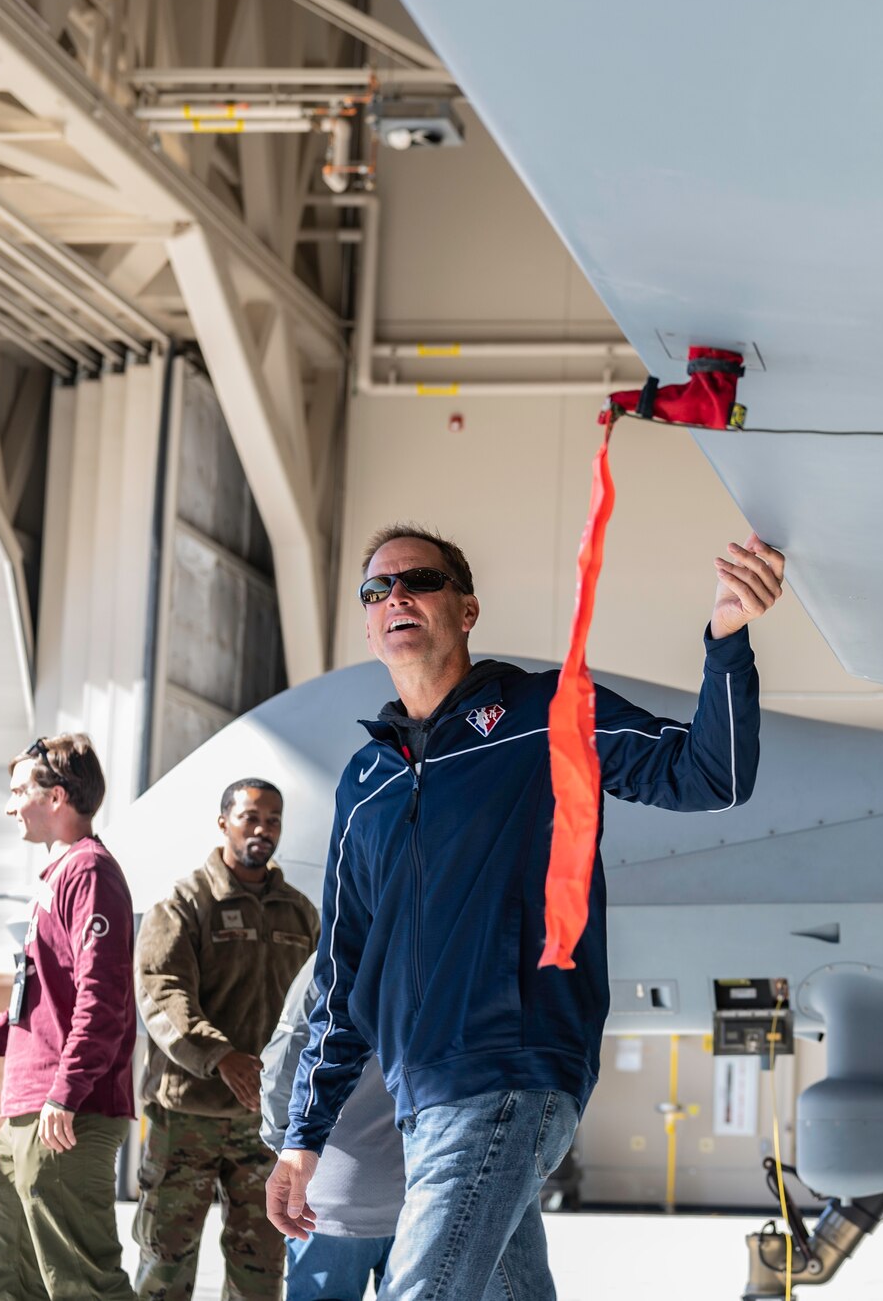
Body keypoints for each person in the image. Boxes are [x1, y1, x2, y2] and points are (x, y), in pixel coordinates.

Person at [269, 522, 785, 1299]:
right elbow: (341, 980)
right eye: (378, 589)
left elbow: (712, 774)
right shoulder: (365, 780)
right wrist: (303, 1137)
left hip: (510, 1068)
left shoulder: (547, 711)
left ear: (467, 609)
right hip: (424, 1098)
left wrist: (727, 637)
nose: (396, 595)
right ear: (370, 623)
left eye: (420, 580)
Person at [0, 734, 139, 1301]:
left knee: (82, 1284)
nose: (10, 806)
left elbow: (103, 998)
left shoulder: (89, 873)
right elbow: (35, 1012)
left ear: (57, 796)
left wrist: (64, 1094)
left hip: (66, 1117)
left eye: (19, 791)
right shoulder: (57, 880)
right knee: (13, 1281)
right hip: (28, 1116)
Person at [133, 778, 318, 1300]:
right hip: (187, 1116)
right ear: (223, 823)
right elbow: (161, 991)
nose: (263, 829)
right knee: (164, 1265)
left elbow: (322, 1003)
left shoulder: (301, 914)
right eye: (250, 817)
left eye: (273, 820)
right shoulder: (183, 903)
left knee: (261, 1271)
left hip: (264, 1125)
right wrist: (220, 1056)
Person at [262, 954, 402, 1301]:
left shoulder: (337, 954)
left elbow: (281, 1064)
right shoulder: (451, 944)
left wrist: (288, 1149)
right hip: (425, 1191)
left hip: (331, 1193)